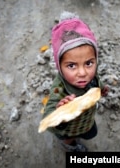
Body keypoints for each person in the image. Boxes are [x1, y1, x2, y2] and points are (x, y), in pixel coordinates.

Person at [42, 11, 109, 152]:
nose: (83, 73)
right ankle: (69, 145)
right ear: (59, 66)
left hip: (86, 121)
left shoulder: (92, 75)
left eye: (89, 63)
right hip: (69, 129)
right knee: (69, 138)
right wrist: (59, 111)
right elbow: (48, 117)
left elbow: (97, 81)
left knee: (90, 133)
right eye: (72, 65)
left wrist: (102, 89)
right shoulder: (59, 88)